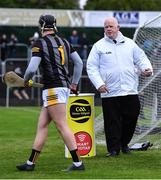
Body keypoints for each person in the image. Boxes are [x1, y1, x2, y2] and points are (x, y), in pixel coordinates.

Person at [16, 14, 85, 171]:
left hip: (53, 89)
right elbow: (79, 63)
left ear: (41, 26)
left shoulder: (39, 43)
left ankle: (78, 163)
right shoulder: (65, 42)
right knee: (42, 126)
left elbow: (32, 69)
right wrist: (74, 83)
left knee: (62, 125)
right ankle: (30, 163)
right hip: (61, 87)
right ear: (54, 26)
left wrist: (26, 80)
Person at [86, 17, 153, 157]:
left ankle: (124, 144)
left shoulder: (130, 44)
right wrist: (99, 84)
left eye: (111, 26)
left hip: (130, 90)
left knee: (132, 116)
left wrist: (147, 68)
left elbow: (141, 58)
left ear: (118, 27)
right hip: (109, 91)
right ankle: (113, 149)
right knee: (112, 121)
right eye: (106, 27)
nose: (108, 29)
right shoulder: (98, 46)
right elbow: (91, 67)